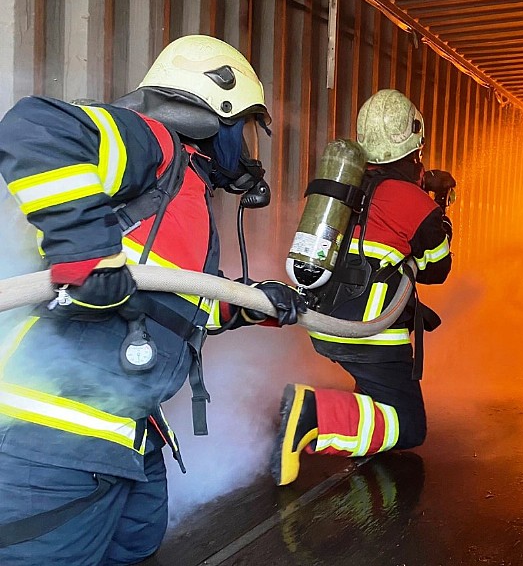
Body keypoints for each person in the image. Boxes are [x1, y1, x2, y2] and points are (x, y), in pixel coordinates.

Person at [0, 35, 307, 565]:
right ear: (220, 114)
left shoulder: (181, 196)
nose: (247, 153)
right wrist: (86, 252)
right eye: (244, 130)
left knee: (139, 549)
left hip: (130, 436)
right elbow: (35, 127)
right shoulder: (155, 147)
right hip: (51, 442)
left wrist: (248, 304)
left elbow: (166, 299)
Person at [270, 88, 453, 486]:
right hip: (371, 334)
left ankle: (325, 415)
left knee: (376, 396)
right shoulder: (414, 201)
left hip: (323, 321)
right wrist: (440, 209)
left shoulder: (342, 189)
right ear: (415, 147)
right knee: (408, 426)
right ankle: (311, 415)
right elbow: (436, 269)